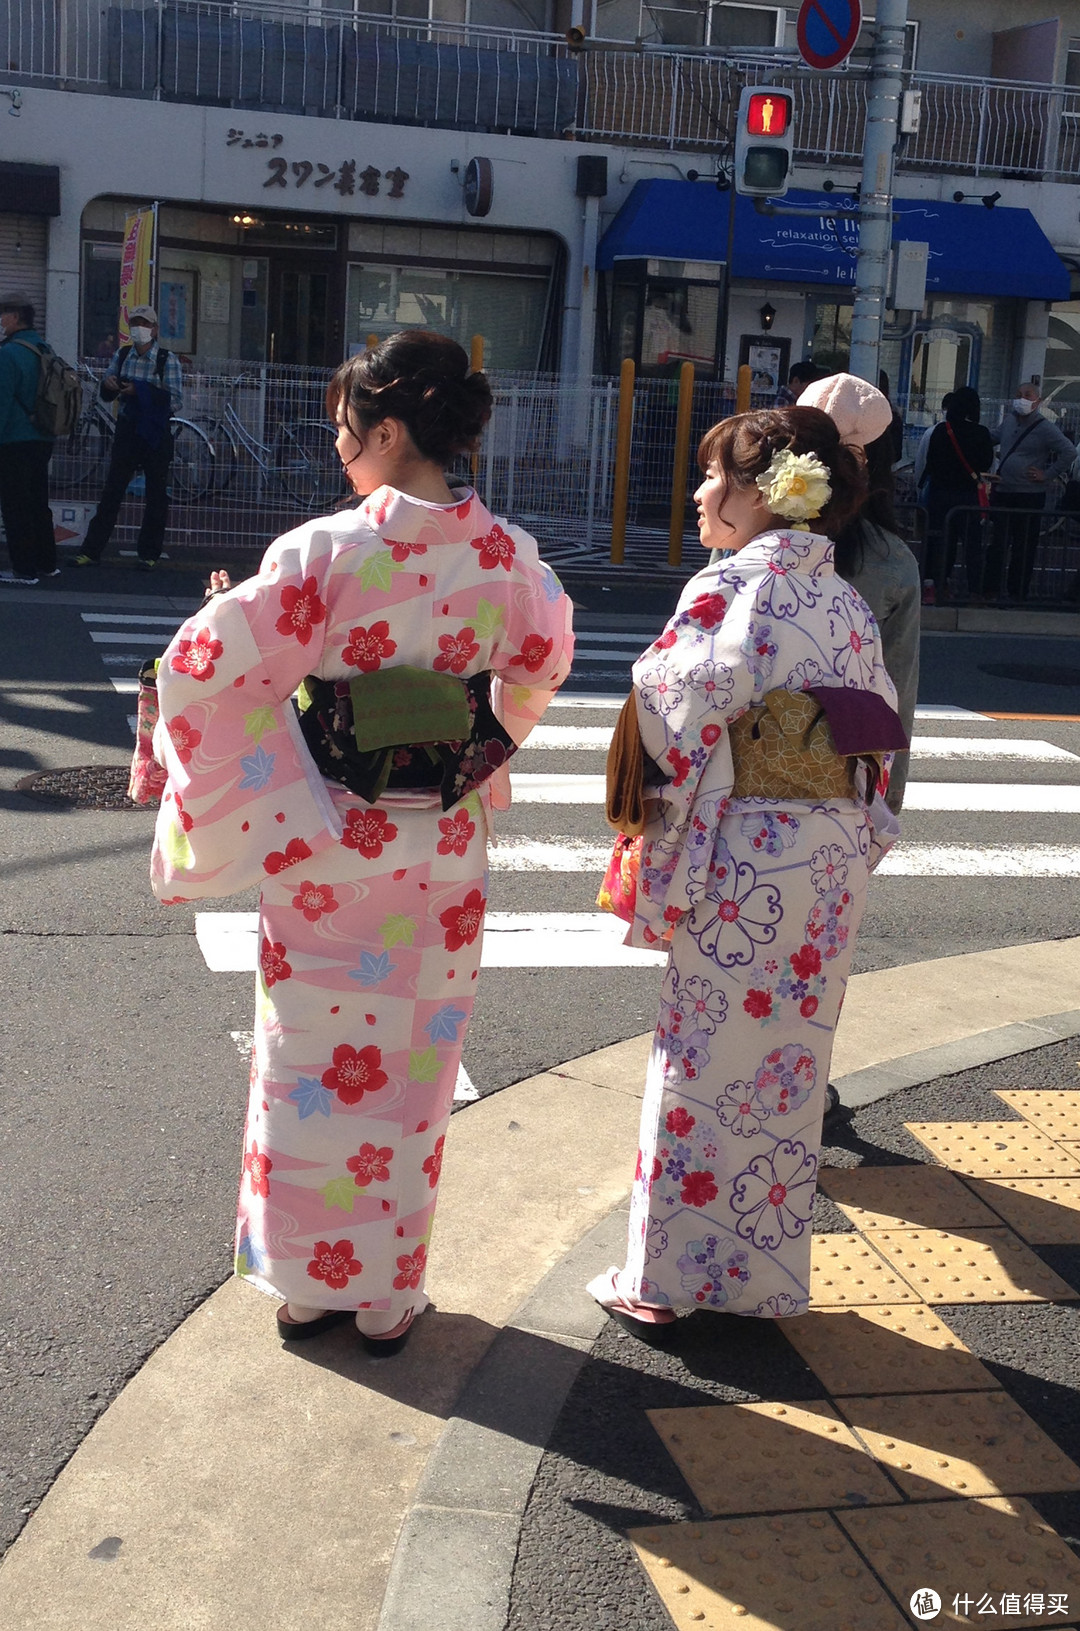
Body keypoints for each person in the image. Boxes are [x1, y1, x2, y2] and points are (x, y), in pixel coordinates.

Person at [150, 331, 573, 1353]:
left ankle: (307, 1284)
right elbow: (545, 656)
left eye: (345, 430)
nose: (339, 450)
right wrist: (483, 744)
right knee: (414, 1067)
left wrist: (256, 692)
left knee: (310, 1058)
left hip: (332, 841)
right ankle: (388, 1291)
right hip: (441, 855)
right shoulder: (507, 554)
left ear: (387, 431)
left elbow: (203, 668)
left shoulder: (327, 551)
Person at [587, 406, 903, 1337]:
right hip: (825, 863)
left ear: (765, 494)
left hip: (744, 864)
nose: (698, 494)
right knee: (786, 1070)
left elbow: (670, 706)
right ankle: (757, 1277)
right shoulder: (842, 598)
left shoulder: (731, 586)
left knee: (697, 1062)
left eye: (714, 477)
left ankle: (662, 1279)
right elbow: (876, 720)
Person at [800, 372, 920, 814]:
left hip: (737, 770)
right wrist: (888, 801)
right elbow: (897, 689)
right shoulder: (893, 560)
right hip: (840, 781)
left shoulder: (743, 535)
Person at [72, 305, 183, 571]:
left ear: (155, 329)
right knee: (112, 491)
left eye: (144, 323)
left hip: (155, 434)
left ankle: (148, 554)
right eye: (134, 322)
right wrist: (109, 385)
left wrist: (140, 391)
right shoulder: (122, 355)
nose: (138, 328)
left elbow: (176, 401)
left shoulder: (167, 359)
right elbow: (107, 392)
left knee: (156, 496)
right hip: (127, 430)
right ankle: (91, 551)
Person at [986, 382, 1075, 600]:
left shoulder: (1045, 427)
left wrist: (1047, 474)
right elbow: (992, 437)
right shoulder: (1009, 421)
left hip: (1029, 495)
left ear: (1038, 400)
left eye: (1027, 395)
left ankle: (1018, 592)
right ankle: (991, 589)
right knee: (997, 543)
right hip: (1003, 489)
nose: (1022, 399)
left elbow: (1069, 451)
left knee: (1023, 547)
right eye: (1019, 394)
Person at [0, 291, 59, 585]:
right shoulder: (44, 348)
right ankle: (47, 563)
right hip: (44, 436)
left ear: (14, 317)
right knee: (38, 502)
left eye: (3, 315)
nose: (1, 321)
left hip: (14, 439)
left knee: (15, 505)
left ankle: (23, 569)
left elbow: (2, 401)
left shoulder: (8, 353)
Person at [922, 387, 993, 601]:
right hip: (967, 496)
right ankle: (975, 590)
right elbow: (986, 463)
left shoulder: (941, 430)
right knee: (972, 545)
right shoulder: (981, 432)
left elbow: (930, 461)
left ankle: (940, 586)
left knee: (943, 543)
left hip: (940, 494)